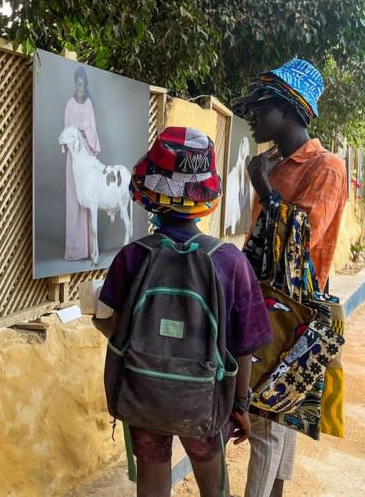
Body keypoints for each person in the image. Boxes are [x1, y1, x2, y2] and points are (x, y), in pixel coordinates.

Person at [93, 127, 273, 496]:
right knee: (212, 483)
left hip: (145, 393)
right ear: (206, 197)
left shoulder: (133, 256)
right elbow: (243, 346)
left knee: (152, 478)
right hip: (204, 397)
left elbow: (111, 324)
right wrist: (240, 403)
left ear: (150, 192)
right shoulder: (230, 262)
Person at [233, 58, 347, 497]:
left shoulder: (326, 166)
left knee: (268, 422)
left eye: (261, 108)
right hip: (266, 304)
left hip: (294, 313)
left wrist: (265, 189)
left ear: (288, 107)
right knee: (279, 419)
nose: (254, 117)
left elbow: (302, 239)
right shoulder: (274, 163)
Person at [63, 66, 101, 261]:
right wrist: (76, 133)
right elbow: (67, 131)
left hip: (87, 157)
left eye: (83, 83)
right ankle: (75, 249)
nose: (80, 86)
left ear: (85, 85)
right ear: (74, 83)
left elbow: (93, 131)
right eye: (77, 83)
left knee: (89, 200)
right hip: (74, 159)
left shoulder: (88, 105)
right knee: (74, 201)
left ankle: (89, 249)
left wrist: (85, 133)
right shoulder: (70, 104)